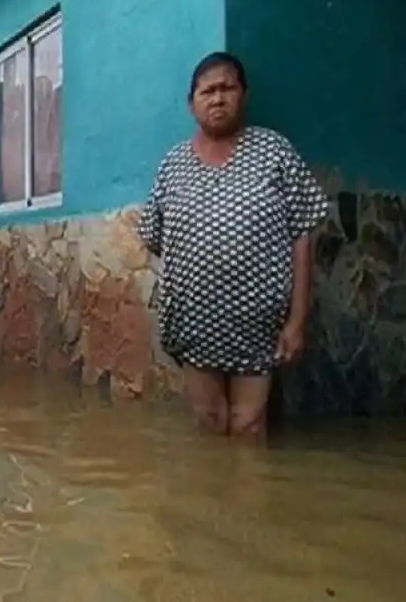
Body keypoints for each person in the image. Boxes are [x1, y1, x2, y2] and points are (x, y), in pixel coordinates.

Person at [138, 52, 329, 439]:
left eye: (227, 88)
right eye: (207, 91)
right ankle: (212, 500)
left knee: (249, 425)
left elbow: (302, 235)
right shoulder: (172, 165)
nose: (218, 98)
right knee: (208, 423)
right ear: (191, 103)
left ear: (243, 95)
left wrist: (296, 321)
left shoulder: (273, 152)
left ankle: (249, 498)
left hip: (258, 324)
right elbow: (156, 238)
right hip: (194, 321)